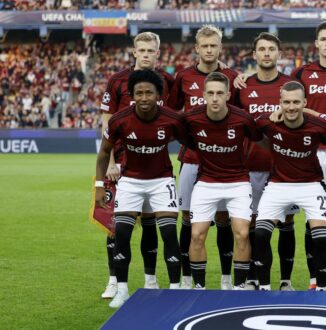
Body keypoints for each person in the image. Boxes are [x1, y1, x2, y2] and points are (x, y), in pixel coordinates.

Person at [95, 69, 188, 308]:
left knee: (168, 233)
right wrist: (98, 186)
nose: (144, 97)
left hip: (162, 181)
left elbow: (194, 143)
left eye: (149, 92)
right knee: (122, 234)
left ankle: (175, 289)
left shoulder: (172, 119)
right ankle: (122, 290)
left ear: (159, 95)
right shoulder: (119, 120)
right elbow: (104, 152)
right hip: (130, 182)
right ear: (133, 95)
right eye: (140, 93)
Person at [99, 31, 174, 298]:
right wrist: (109, 162)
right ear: (134, 52)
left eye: (150, 51)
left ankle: (150, 279)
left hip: (154, 167)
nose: (146, 55)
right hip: (120, 164)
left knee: (151, 223)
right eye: (141, 50)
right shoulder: (117, 81)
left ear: (157, 52)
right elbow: (107, 123)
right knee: (115, 226)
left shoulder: (167, 81)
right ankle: (113, 279)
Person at [168, 25, 239, 290]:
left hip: (224, 162)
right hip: (192, 159)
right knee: (187, 218)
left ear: (220, 47)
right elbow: (172, 113)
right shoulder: (184, 77)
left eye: (214, 46)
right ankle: (187, 277)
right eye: (204, 46)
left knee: (223, 220)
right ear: (196, 48)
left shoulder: (233, 77)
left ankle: (226, 278)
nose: (209, 50)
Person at [182, 72, 261, 290]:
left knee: (242, 233)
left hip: (238, 182)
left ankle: (238, 287)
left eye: (219, 93)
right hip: (206, 182)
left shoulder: (242, 119)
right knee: (196, 234)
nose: (215, 98)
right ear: (204, 95)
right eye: (210, 93)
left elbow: (258, 138)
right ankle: (199, 287)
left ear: (228, 94)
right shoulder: (191, 118)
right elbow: (178, 133)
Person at [253, 81, 326, 291]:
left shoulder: (318, 126)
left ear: (304, 103)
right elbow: (256, 124)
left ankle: (322, 289)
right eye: (286, 102)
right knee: (260, 234)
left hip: (311, 184)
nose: (291, 107)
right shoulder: (268, 123)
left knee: (321, 237)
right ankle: (264, 287)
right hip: (278, 184)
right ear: (279, 103)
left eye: (296, 102)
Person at [233, 32, 298, 291]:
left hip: (284, 168)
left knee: (287, 222)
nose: (267, 53)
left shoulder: (290, 85)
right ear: (254, 54)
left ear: (279, 54)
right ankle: (252, 278)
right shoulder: (243, 86)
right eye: (262, 49)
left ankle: (285, 280)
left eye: (272, 49)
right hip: (251, 167)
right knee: (251, 224)